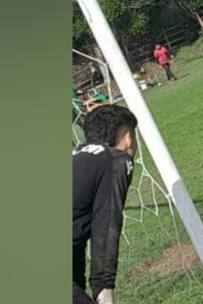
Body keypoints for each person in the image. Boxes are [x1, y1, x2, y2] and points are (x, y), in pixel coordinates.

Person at [73, 104, 138, 304]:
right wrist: (104, 287)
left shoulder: (78, 158)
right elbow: (107, 226)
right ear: (128, 137)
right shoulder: (115, 160)